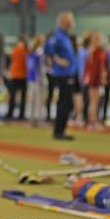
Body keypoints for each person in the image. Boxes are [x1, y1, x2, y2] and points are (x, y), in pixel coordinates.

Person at [49, 11, 77, 140]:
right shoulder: (58, 36)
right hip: (63, 74)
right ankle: (59, 131)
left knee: (67, 102)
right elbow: (48, 50)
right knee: (65, 102)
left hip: (69, 73)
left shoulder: (65, 36)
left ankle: (61, 130)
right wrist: (58, 60)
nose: (71, 24)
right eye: (68, 22)